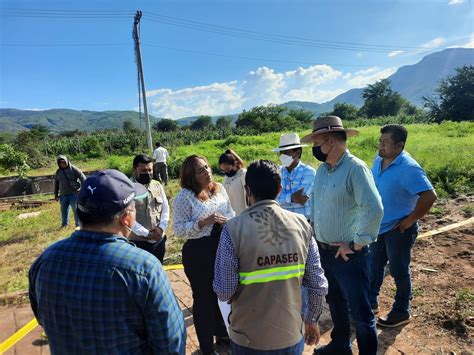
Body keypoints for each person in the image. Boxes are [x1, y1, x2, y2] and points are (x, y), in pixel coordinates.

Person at [29, 169, 186, 354]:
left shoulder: (45, 260)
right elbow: (171, 344)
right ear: (127, 218)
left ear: (79, 212)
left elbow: (42, 318)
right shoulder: (144, 268)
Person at [213, 160, 328, 354]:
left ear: (247, 190)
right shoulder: (302, 225)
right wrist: (311, 319)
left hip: (248, 338)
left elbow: (224, 291)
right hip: (291, 335)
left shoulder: (232, 229)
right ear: (279, 189)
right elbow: (317, 283)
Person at [301, 116, 384, 355]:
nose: (315, 149)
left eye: (317, 143)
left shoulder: (355, 168)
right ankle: (340, 345)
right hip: (325, 251)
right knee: (335, 302)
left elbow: (374, 207)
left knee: (361, 312)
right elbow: (315, 203)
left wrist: (357, 243)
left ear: (330, 141)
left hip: (348, 256)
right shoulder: (323, 171)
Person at [369, 124, 437, 327]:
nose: (380, 145)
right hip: (378, 226)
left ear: (399, 145)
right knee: (374, 266)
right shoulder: (378, 159)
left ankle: (401, 311)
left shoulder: (409, 168)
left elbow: (429, 195)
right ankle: (371, 302)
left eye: (385, 142)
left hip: (398, 229)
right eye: (380, 141)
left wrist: (411, 219)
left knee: (399, 270)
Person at [173, 155, 235, 355]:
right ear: (191, 176)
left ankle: (223, 335)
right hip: (199, 252)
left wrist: (227, 219)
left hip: (222, 245)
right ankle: (207, 347)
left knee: (225, 294)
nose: (207, 171)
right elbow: (179, 230)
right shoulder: (185, 196)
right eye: (201, 170)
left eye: (207, 167)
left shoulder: (219, 188)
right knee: (204, 299)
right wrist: (202, 222)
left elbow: (232, 212)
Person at [129, 154, 169, 263]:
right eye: (143, 170)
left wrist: (161, 228)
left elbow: (165, 207)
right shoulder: (128, 188)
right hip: (137, 242)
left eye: (150, 170)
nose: (147, 173)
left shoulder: (157, 185)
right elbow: (127, 217)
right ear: (134, 170)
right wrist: (147, 233)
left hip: (158, 240)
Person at [273, 132, 316, 221]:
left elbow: (302, 199)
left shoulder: (309, 172)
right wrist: (292, 198)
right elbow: (272, 199)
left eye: (286, 152)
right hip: (282, 223)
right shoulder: (277, 172)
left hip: (304, 222)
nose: (282, 156)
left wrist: (283, 198)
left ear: (297, 153)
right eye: (281, 153)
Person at [53, 155, 86, 228]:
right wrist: (56, 195)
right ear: (58, 163)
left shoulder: (73, 169)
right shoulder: (58, 172)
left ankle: (78, 225)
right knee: (63, 210)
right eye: (60, 162)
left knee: (76, 210)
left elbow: (83, 178)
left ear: (67, 161)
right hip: (63, 195)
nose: (62, 163)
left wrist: (81, 189)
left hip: (74, 194)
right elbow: (56, 184)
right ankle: (64, 224)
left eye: (64, 161)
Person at [218, 149, 247, 215]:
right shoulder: (227, 177)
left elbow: (248, 198)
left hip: (243, 216)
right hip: (231, 217)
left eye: (228, 169)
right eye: (223, 171)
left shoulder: (243, 175)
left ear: (235, 163)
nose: (226, 172)